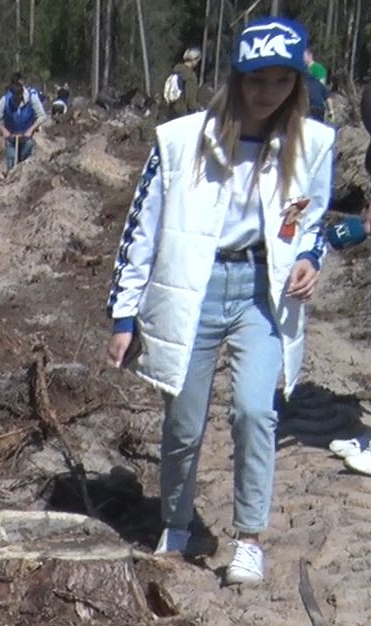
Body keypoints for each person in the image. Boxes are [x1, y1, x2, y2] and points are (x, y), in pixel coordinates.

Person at [107, 17, 333, 585]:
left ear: (296, 85)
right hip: (196, 289)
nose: (267, 92)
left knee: (255, 411)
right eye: (257, 79)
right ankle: (177, 522)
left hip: (263, 290)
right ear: (236, 77)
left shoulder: (312, 144)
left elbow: (314, 218)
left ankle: (249, 538)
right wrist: (124, 314)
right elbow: (142, 228)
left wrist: (309, 258)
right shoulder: (183, 141)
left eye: (282, 81)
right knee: (184, 420)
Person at [0, 73, 46, 171]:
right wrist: (3, 130)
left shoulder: (32, 97)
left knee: (25, 161)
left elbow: (42, 116)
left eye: (17, 99)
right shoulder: (6, 99)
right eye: (13, 99)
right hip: (11, 137)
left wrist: (30, 130)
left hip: (26, 136)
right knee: (11, 161)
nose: (15, 102)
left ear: (21, 95)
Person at [161, 47, 204, 122]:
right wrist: (199, 108)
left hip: (171, 110)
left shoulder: (175, 71)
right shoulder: (189, 76)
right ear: (194, 60)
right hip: (183, 112)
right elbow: (190, 100)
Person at [305, 49, 329, 122]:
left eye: (304, 57)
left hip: (316, 104)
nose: (302, 59)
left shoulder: (318, 68)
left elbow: (322, 85)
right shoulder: (304, 69)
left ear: (310, 56)